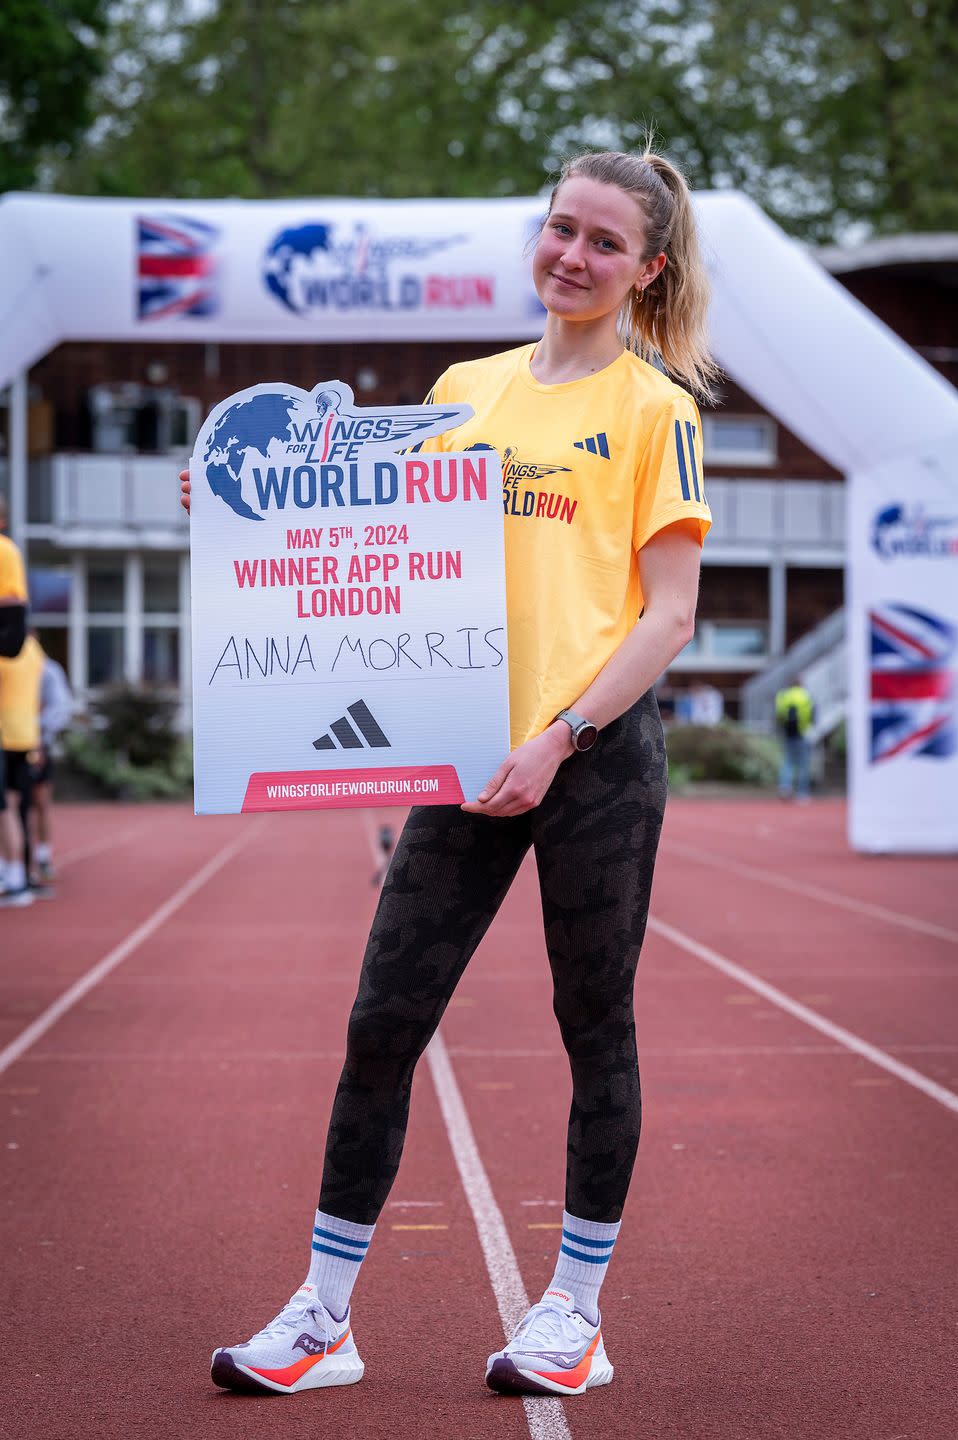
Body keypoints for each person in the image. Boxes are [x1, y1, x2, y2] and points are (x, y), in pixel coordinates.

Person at [180, 146, 715, 1398]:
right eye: (560, 228)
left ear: (645, 270)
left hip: (593, 759)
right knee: (381, 1025)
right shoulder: (461, 388)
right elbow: (374, 552)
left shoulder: (657, 411)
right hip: (470, 754)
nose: (570, 256)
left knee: (594, 1027)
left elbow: (669, 617)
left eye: (601, 242)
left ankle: (571, 1316)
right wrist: (231, 510)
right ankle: (323, 1318)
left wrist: (561, 738)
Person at [0, 496, 33, 907]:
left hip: (17, 733)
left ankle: (19, 875)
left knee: (11, 804)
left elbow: (12, 637)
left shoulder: (6, 552)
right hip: (17, 732)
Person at [0, 631, 47, 900]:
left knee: (5, 810)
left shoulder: (5, 649)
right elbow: (36, 695)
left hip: (5, 735)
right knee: (17, 808)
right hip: (27, 735)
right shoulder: (33, 649)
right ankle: (17, 873)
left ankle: (13, 876)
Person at [32, 646, 74, 883]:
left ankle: (43, 856)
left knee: (40, 800)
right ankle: (16, 863)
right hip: (9, 744)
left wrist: (34, 727)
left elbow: (59, 708)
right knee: (14, 805)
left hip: (37, 743)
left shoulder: (47, 670)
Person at [775, 679, 814, 801]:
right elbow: (812, 713)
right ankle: (802, 792)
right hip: (802, 732)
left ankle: (785, 786)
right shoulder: (806, 695)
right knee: (803, 764)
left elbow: (779, 714)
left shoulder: (784, 695)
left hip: (788, 733)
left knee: (788, 762)